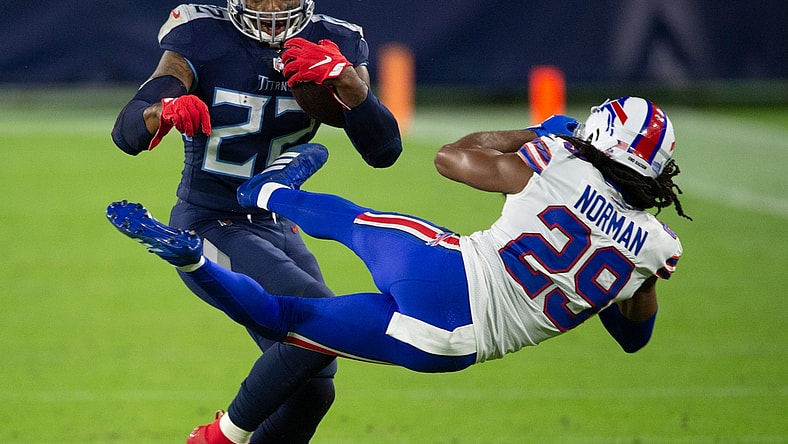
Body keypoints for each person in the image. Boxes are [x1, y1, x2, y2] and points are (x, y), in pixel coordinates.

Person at [107, 96, 688, 396]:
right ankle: (193, 256)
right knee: (288, 320)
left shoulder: (563, 165)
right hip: (449, 349)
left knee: (357, 223)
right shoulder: (657, 249)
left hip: (450, 277)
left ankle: (268, 193)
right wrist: (630, 275)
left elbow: (452, 157)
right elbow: (634, 337)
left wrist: (537, 134)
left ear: (600, 138)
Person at [110, 1, 402, 443]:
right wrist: (163, 111)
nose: (270, 7)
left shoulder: (336, 38)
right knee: (320, 320)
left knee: (317, 383)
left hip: (276, 223)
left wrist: (349, 84)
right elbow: (127, 130)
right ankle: (218, 437)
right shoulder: (200, 33)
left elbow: (384, 152)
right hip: (209, 220)